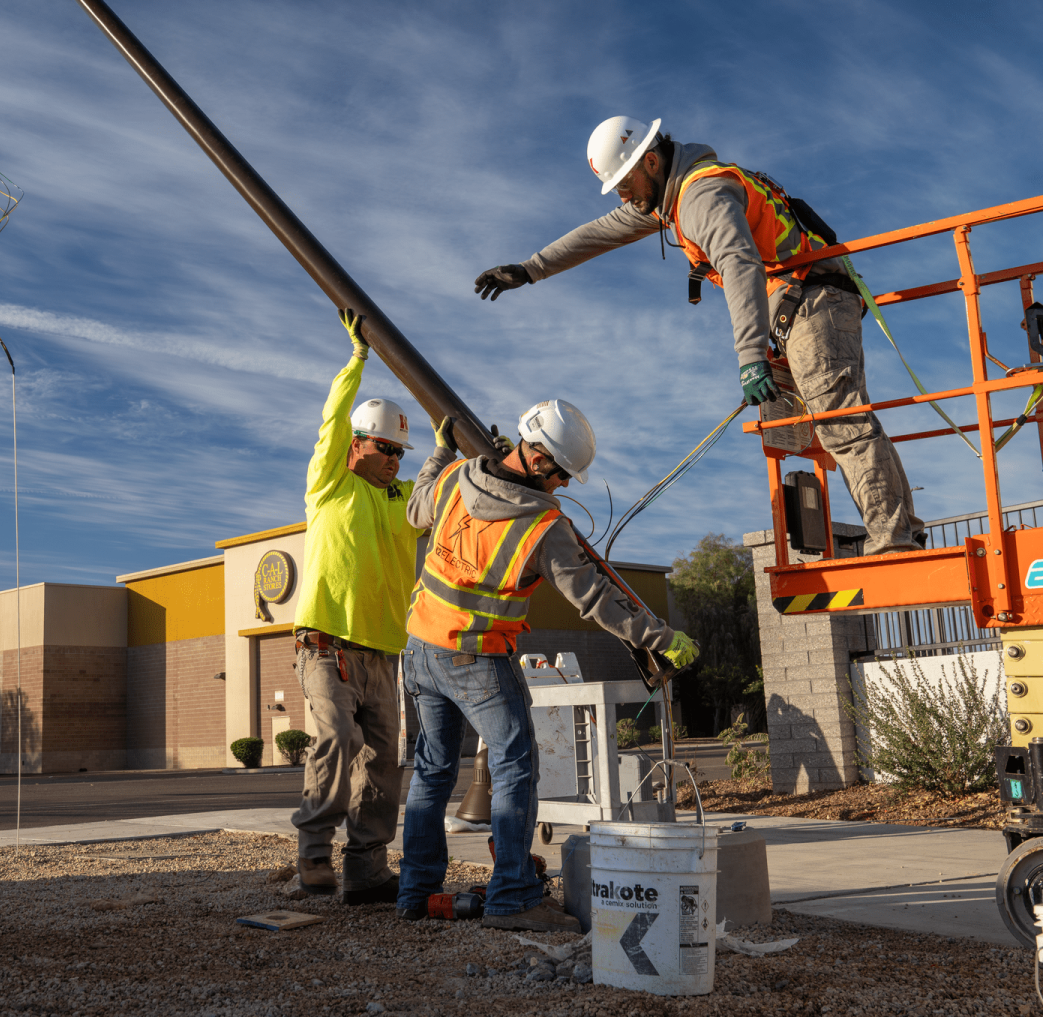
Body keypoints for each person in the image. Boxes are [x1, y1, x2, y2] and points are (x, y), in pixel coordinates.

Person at [473, 116, 924, 555]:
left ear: (651, 161)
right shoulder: (675, 196)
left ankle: (895, 540)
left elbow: (738, 262)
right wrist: (531, 268)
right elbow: (601, 233)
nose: (624, 197)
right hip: (811, 302)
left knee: (840, 423)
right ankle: (903, 531)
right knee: (844, 420)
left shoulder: (700, 195)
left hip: (812, 302)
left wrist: (750, 356)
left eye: (625, 184)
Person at [396, 398, 697, 932]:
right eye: (561, 475)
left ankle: (414, 893)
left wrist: (439, 451)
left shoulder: (456, 476)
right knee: (515, 768)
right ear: (539, 462)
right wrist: (661, 637)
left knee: (432, 770)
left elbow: (415, 508)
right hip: (477, 655)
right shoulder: (542, 523)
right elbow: (594, 598)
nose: (562, 486)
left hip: (419, 649)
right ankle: (513, 896)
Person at [290, 308, 421, 905]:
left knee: (385, 761)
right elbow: (332, 422)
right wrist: (357, 360)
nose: (396, 457)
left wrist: (462, 453)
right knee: (337, 739)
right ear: (358, 446)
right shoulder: (330, 485)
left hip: (383, 652)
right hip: (327, 646)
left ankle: (366, 867)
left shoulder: (403, 503)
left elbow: (442, 488)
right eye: (386, 447)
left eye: (402, 450)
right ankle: (314, 854)